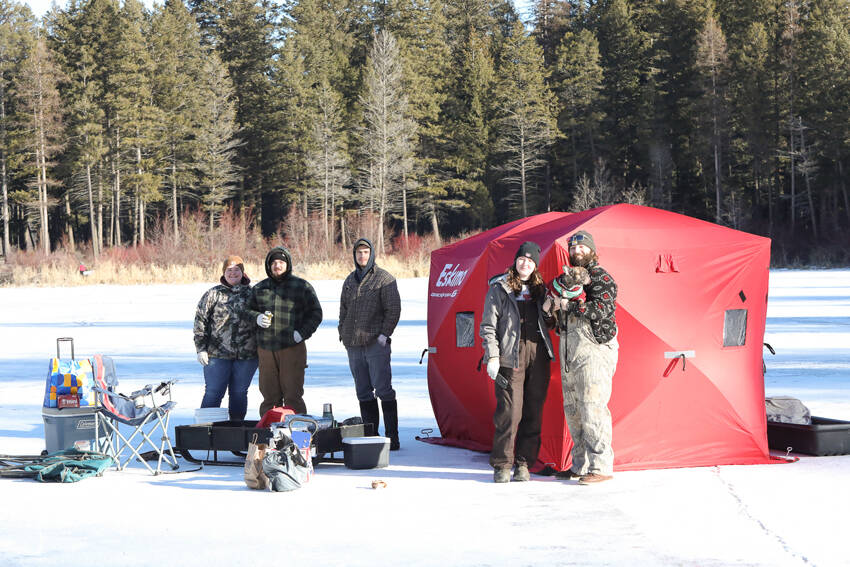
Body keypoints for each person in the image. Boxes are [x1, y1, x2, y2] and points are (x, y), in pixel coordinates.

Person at [480, 241, 554, 483]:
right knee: (509, 413)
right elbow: (488, 326)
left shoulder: (540, 289)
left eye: (531, 261)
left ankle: (523, 463)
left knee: (533, 411)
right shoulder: (499, 288)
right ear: (515, 261)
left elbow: (552, 323)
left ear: (535, 266)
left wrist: (551, 308)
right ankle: (502, 464)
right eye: (522, 259)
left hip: (538, 354)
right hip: (509, 357)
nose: (525, 264)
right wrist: (492, 356)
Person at [555, 230, 619, 485]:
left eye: (582, 247)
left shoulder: (601, 277)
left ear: (591, 250)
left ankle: (601, 465)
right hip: (570, 350)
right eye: (573, 248)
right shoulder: (565, 279)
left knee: (593, 408)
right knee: (574, 410)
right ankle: (580, 465)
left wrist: (570, 306)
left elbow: (603, 309)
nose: (576, 251)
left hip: (594, 349)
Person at [338, 238, 402, 450]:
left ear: (372, 254)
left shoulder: (384, 279)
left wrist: (385, 334)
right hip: (353, 344)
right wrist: (342, 332)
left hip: (376, 342)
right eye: (359, 253)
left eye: (366, 252)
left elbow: (393, 309)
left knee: (383, 389)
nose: (362, 256)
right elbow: (343, 310)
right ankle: (371, 434)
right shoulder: (349, 280)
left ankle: (392, 436)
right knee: (363, 391)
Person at [248, 247, 323, 417]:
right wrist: (256, 317)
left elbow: (316, 313)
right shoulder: (260, 288)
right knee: (269, 397)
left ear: (287, 264)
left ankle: (298, 437)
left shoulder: (301, 286)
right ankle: (270, 436)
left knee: (293, 396)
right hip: (266, 348)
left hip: (292, 347)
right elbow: (246, 311)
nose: (277, 265)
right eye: (273, 262)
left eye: (281, 262)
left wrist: (301, 333)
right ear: (268, 266)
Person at [193, 255, 258, 421]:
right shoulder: (213, 294)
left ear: (243, 273)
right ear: (224, 272)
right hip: (217, 354)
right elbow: (200, 321)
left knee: (239, 393)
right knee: (214, 391)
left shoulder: (253, 294)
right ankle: (205, 431)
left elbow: (262, 320)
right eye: (229, 269)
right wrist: (201, 348)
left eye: (237, 269)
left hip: (247, 355)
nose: (233, 273)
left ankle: (236, 431)